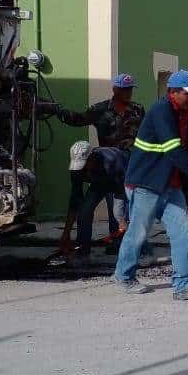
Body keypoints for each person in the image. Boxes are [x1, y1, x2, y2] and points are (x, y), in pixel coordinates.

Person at [114, 69, 188, 301]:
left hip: (170, 186)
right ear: (173, 92)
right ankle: (124, 275)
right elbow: (173, 150)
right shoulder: (161, 111)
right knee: (138, 233)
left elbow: (185, 154)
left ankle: (182, 286)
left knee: (182, 231)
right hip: (145, 183)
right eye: (187, 93)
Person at [51, 73, 146, 253]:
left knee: (118, 210)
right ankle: (83, 248)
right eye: (124, 89)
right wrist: (57, 111)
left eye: (130, 89)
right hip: (105, 165)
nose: (128, 93)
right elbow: (77, 119)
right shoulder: (100, 110)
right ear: (115, 89)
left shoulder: (138, 110)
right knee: (87, 209)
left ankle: (121, 244)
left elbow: (147, 134)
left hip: (128, 165)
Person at [56, 142, 129, 265]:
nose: (82, 169)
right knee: (84, 212)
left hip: (117, 180)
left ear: (93, 157)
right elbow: (75, 201)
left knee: (117, 214)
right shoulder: (76, 171)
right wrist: (66, 233)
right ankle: (83, 251)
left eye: (85, 164)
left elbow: (122, 192)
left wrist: (123, 220)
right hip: (98, 183)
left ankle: (124, 246)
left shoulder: (112, 162)